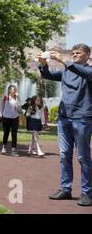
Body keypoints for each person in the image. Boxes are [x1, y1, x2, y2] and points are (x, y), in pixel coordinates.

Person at [38, 44, 92, 206]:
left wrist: (62, 59)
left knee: (83, 157)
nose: (74, 55)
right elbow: (47, 75)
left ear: (88, 55)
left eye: (78, 53)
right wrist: (43, 64)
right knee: (64, 155)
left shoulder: (89, 71)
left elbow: (82, 71)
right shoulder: (66, 71)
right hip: (64, 119)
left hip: (82, 118)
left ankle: (87, 193)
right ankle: (66, 189)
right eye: (73, 53)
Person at [0, 85, 21, 157]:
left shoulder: (17, 98)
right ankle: (4, 146)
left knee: (14, 133)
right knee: (6, 132)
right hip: (6, 118)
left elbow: (19, 108)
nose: (15, 90)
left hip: (15, 118)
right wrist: (1, 115)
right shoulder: (5, 97)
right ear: (9, 90)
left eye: (15, 89)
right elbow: (1, 106)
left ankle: (13, 150)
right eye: (13, 89)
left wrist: (17, 99)